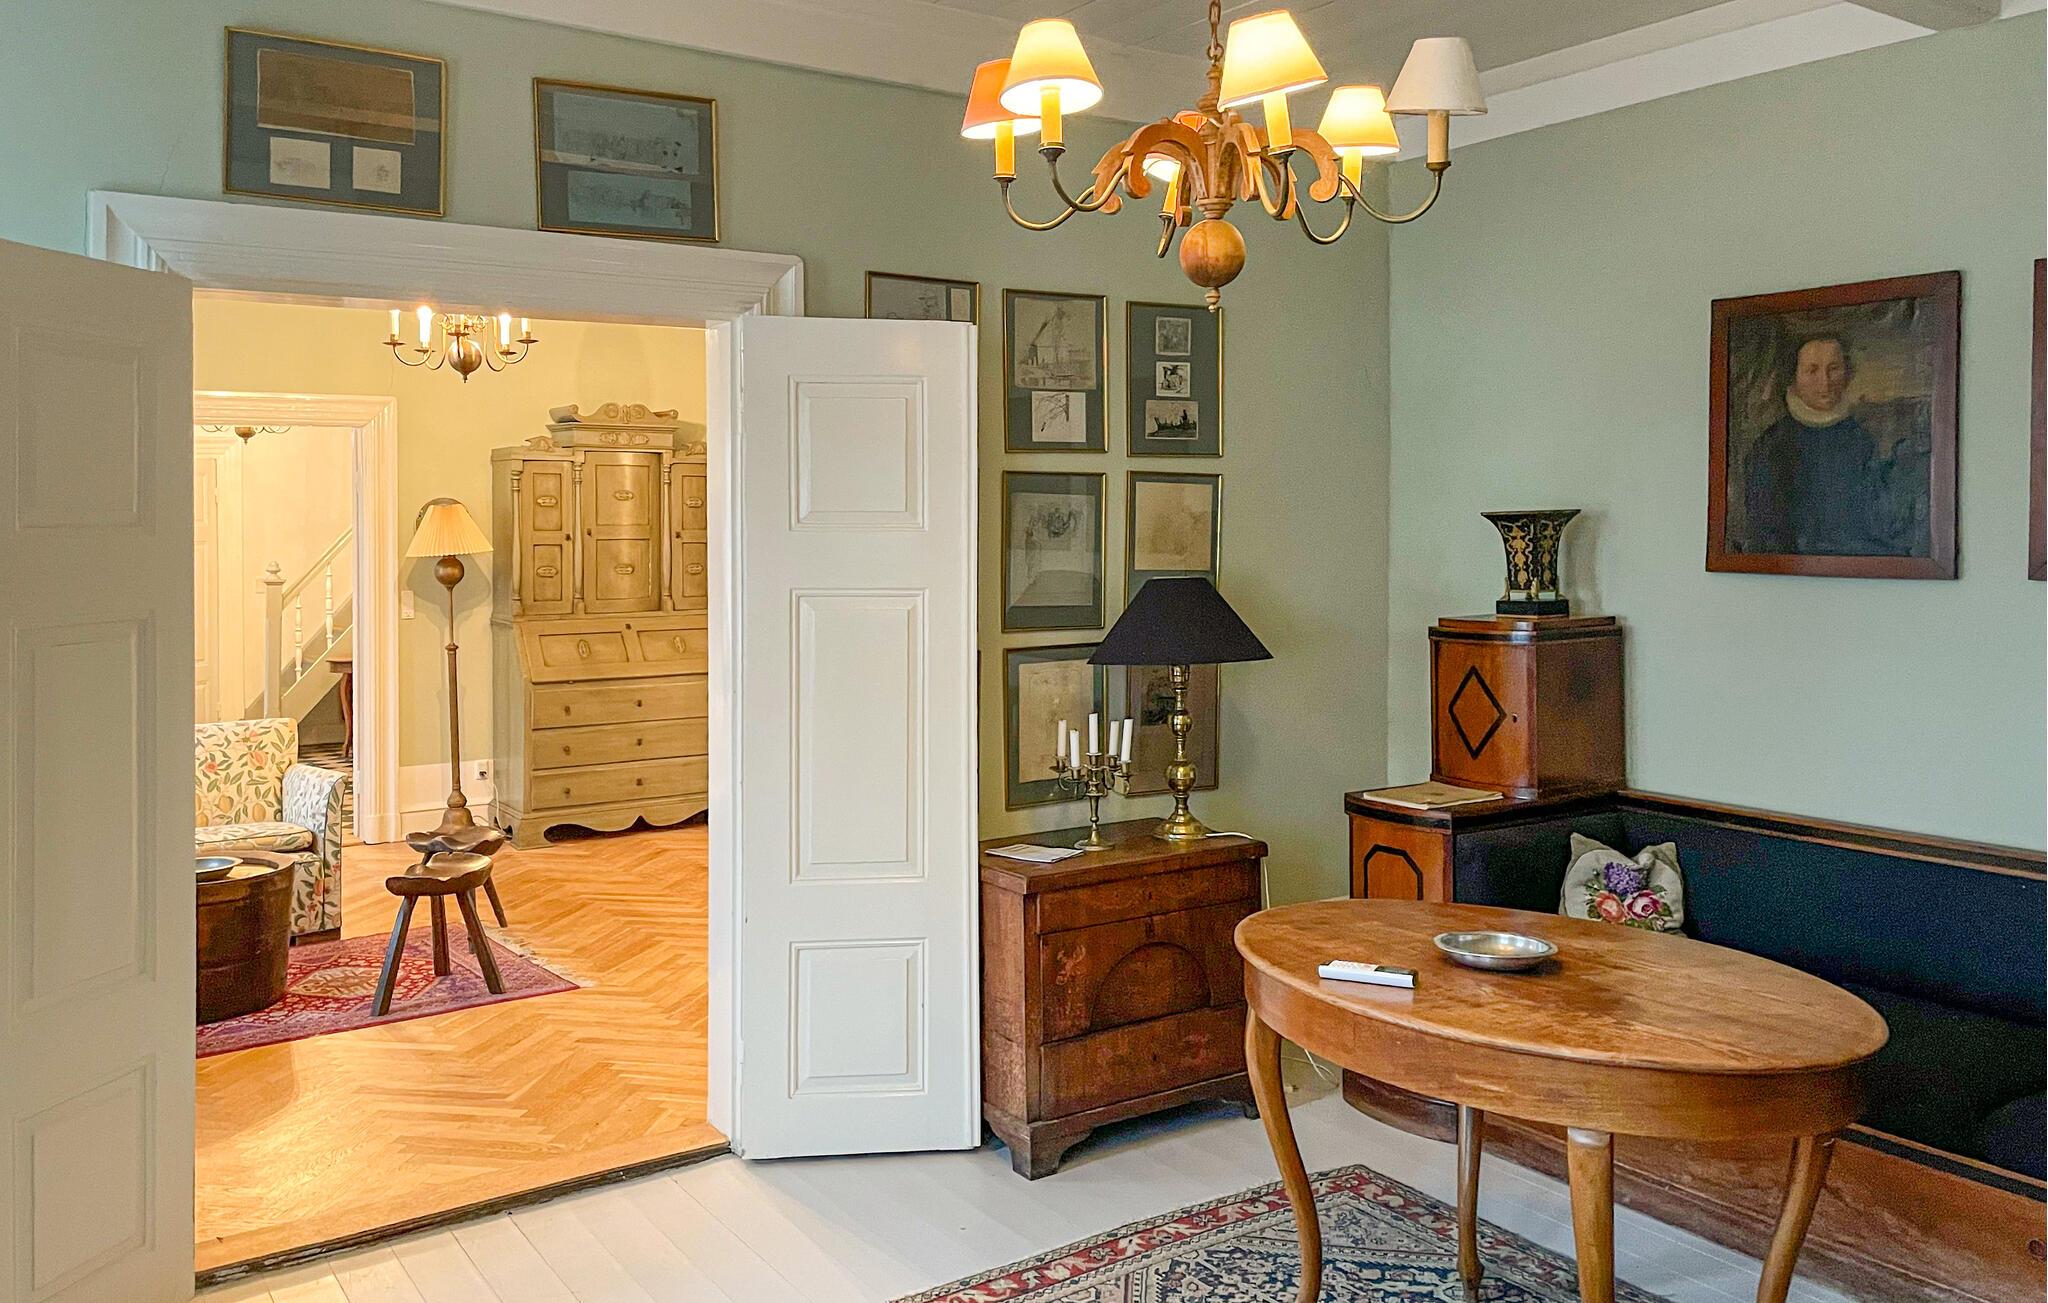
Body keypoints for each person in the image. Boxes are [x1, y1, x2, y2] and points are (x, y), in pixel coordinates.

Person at [1739, 334, 1926, 556]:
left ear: (1847, 373)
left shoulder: (1860, 439)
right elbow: (1767, 537)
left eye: (1834, 369)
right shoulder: (1772, 446)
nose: (1825, 382)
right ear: (1793, 377)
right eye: (1812, 370)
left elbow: (1875, 522)